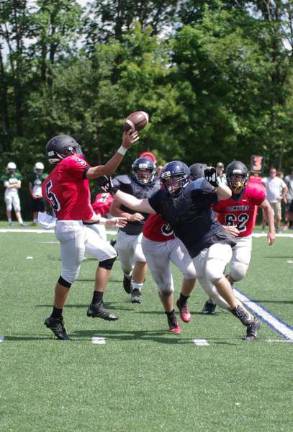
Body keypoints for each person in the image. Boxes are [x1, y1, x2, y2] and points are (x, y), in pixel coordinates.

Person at [105, 160, 261, 341]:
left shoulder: (196, 187)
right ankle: (251, 321)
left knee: (213, 272)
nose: (170, 184)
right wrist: (113, 190)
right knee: (216, 296)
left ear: (185, 179)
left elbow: (225, 195)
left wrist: (217, 183)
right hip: (196, 250)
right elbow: (138, 203)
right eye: (168, 180)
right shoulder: (162, 198)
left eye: (175, 180)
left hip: (215, 240)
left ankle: (244, 318)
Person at [42, 130, 139, 340]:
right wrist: (124, 146)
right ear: (68, 151)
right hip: (72, 229)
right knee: (69, 275)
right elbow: (106, 169)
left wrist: (107, 221)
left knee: (108, 253)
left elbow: (77, 209)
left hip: (73, 225)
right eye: (74, 149)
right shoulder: (69, 163)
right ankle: (55, 318)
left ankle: (96, 304)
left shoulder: (50, 179)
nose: (78, 152)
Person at [201, 160, 275, 314]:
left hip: (243, 238)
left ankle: (216, 294)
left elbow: (268, 207)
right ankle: (214, 297)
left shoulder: (254, 191)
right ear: (227, 178)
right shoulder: (222, 194)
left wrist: (271, 230)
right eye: (234, 178)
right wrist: (222, 227)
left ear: (246, 178)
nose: (237, 181)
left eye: (240, 177)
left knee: (239, 272)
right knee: (215, 270)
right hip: (223, 236)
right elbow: (209, 216)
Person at [110, 157, 160, 304]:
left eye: (146, 171)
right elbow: (113, 209)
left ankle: (137, 289)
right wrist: (129, 216)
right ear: (134, 172)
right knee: (126, 265)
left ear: (152, 172)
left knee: (141, 258)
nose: (143, 174)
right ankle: (127, 276)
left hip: (145, 231)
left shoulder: (158, 187)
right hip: (126, 231)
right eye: (140, 171)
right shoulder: (127, 186)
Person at [142, 213, 196, 334]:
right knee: (166, 289)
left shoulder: (191, 195)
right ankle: (171, 317)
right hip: (154, 242)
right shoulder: (163, 196)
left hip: (175, 239)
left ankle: (182, 301)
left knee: (192, 273)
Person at [262, 167, 288, 232]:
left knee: (279, 217)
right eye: (271, 172)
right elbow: (259, 182)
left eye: (274, 172)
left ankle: (277, 228)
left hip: (277, 201)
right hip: (268, 202)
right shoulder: (266, 179)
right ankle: (270, 228)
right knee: (269, 216)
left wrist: (282, 196)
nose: (272, 173)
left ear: (276, 173)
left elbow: (285, 188)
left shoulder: (279, 180)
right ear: (269, 173)